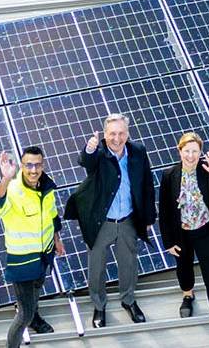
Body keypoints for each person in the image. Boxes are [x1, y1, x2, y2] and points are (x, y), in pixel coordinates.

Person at [73, 113, 157, 327]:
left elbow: (147, 183)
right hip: (103, 222)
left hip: (128, 219)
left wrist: (148, 216)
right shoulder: (99, 153)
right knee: (97, 265)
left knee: (128, 262)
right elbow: (86, 162)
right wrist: (90, 148)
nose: (117, 138)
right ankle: (99, 305)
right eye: (112, 134)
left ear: (127, 134)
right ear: (104, 135)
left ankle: (128, 300)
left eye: (121, 133)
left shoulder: (138, 151)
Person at [157, 131, 209, 332]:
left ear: (200, 152)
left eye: (195, 151)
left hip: (206, 230)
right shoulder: (169, 175)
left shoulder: (206, 170)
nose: (191, 155)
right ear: (179, 151)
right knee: (183, 268)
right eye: (187, 151)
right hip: (181, 233)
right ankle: (187, 295)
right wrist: (168, 241)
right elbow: (164, 210)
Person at [0, 147, 65, 348]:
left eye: (37, 165)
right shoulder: (12, 189)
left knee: (37, 289)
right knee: (24, 314)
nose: (33, 170)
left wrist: (56, 239)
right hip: (22, 261)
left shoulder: (47, 187)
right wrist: (5, 179)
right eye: (28, 165)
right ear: (22, 166)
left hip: (44, 254)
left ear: (42, 165)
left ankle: (35, 318)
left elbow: (52, 214)